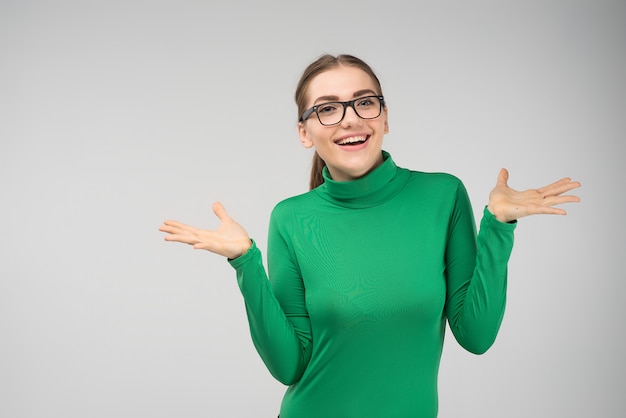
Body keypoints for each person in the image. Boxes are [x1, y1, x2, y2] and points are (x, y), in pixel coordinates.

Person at [159, 54, 580, 418]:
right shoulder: (291, 218)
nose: (351, 118)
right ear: (305, 132)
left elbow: (476, 334)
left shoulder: (442, 195)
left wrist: (499, 226)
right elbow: (289, 366)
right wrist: (245, 262)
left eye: (364, 102)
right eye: (327, 109)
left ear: (385, 117)